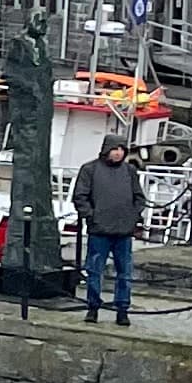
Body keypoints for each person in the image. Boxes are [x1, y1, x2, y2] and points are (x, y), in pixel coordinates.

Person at [70, 127, 140, 326]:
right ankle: (92, 307)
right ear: (106, 149)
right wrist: (92, 217)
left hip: (123, 231)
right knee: (94, 271)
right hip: (99, 230)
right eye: (115, 148)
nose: (118, 152)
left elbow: (139, 198)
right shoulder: (89, 169)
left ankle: (122, 309)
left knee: (124, 273)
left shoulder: (130, 171)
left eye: (122, 149)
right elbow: (80, 197)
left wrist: (132, 218)